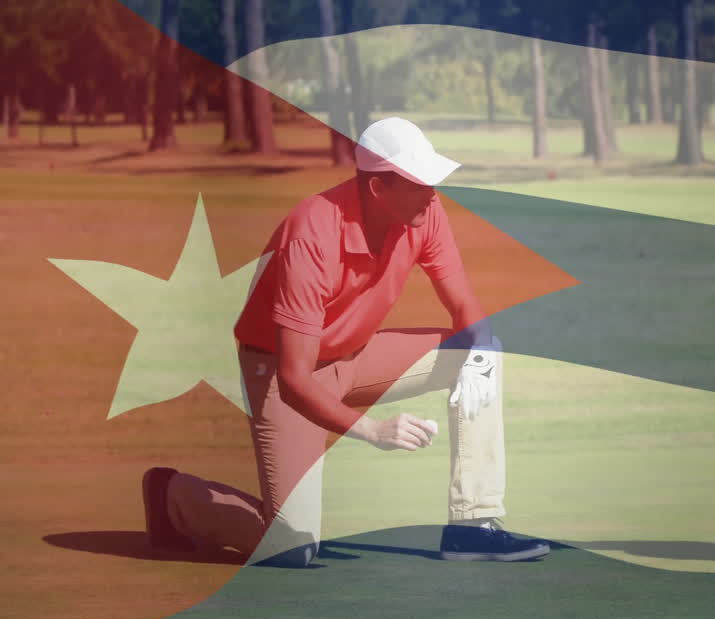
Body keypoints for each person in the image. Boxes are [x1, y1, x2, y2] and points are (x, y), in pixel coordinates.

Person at [141, 116, 550, 566]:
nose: (432, 192)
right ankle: (173, 497)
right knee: (291, 549)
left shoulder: (425, 213)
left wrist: (482, 348)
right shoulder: (311, 232)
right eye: (419, 182)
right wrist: (372, 430)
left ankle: (473, 526)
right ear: (378, 188)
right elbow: (296, 377)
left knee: (476, 356)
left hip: (355, 357)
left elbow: (463, 305)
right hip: (283, 375)